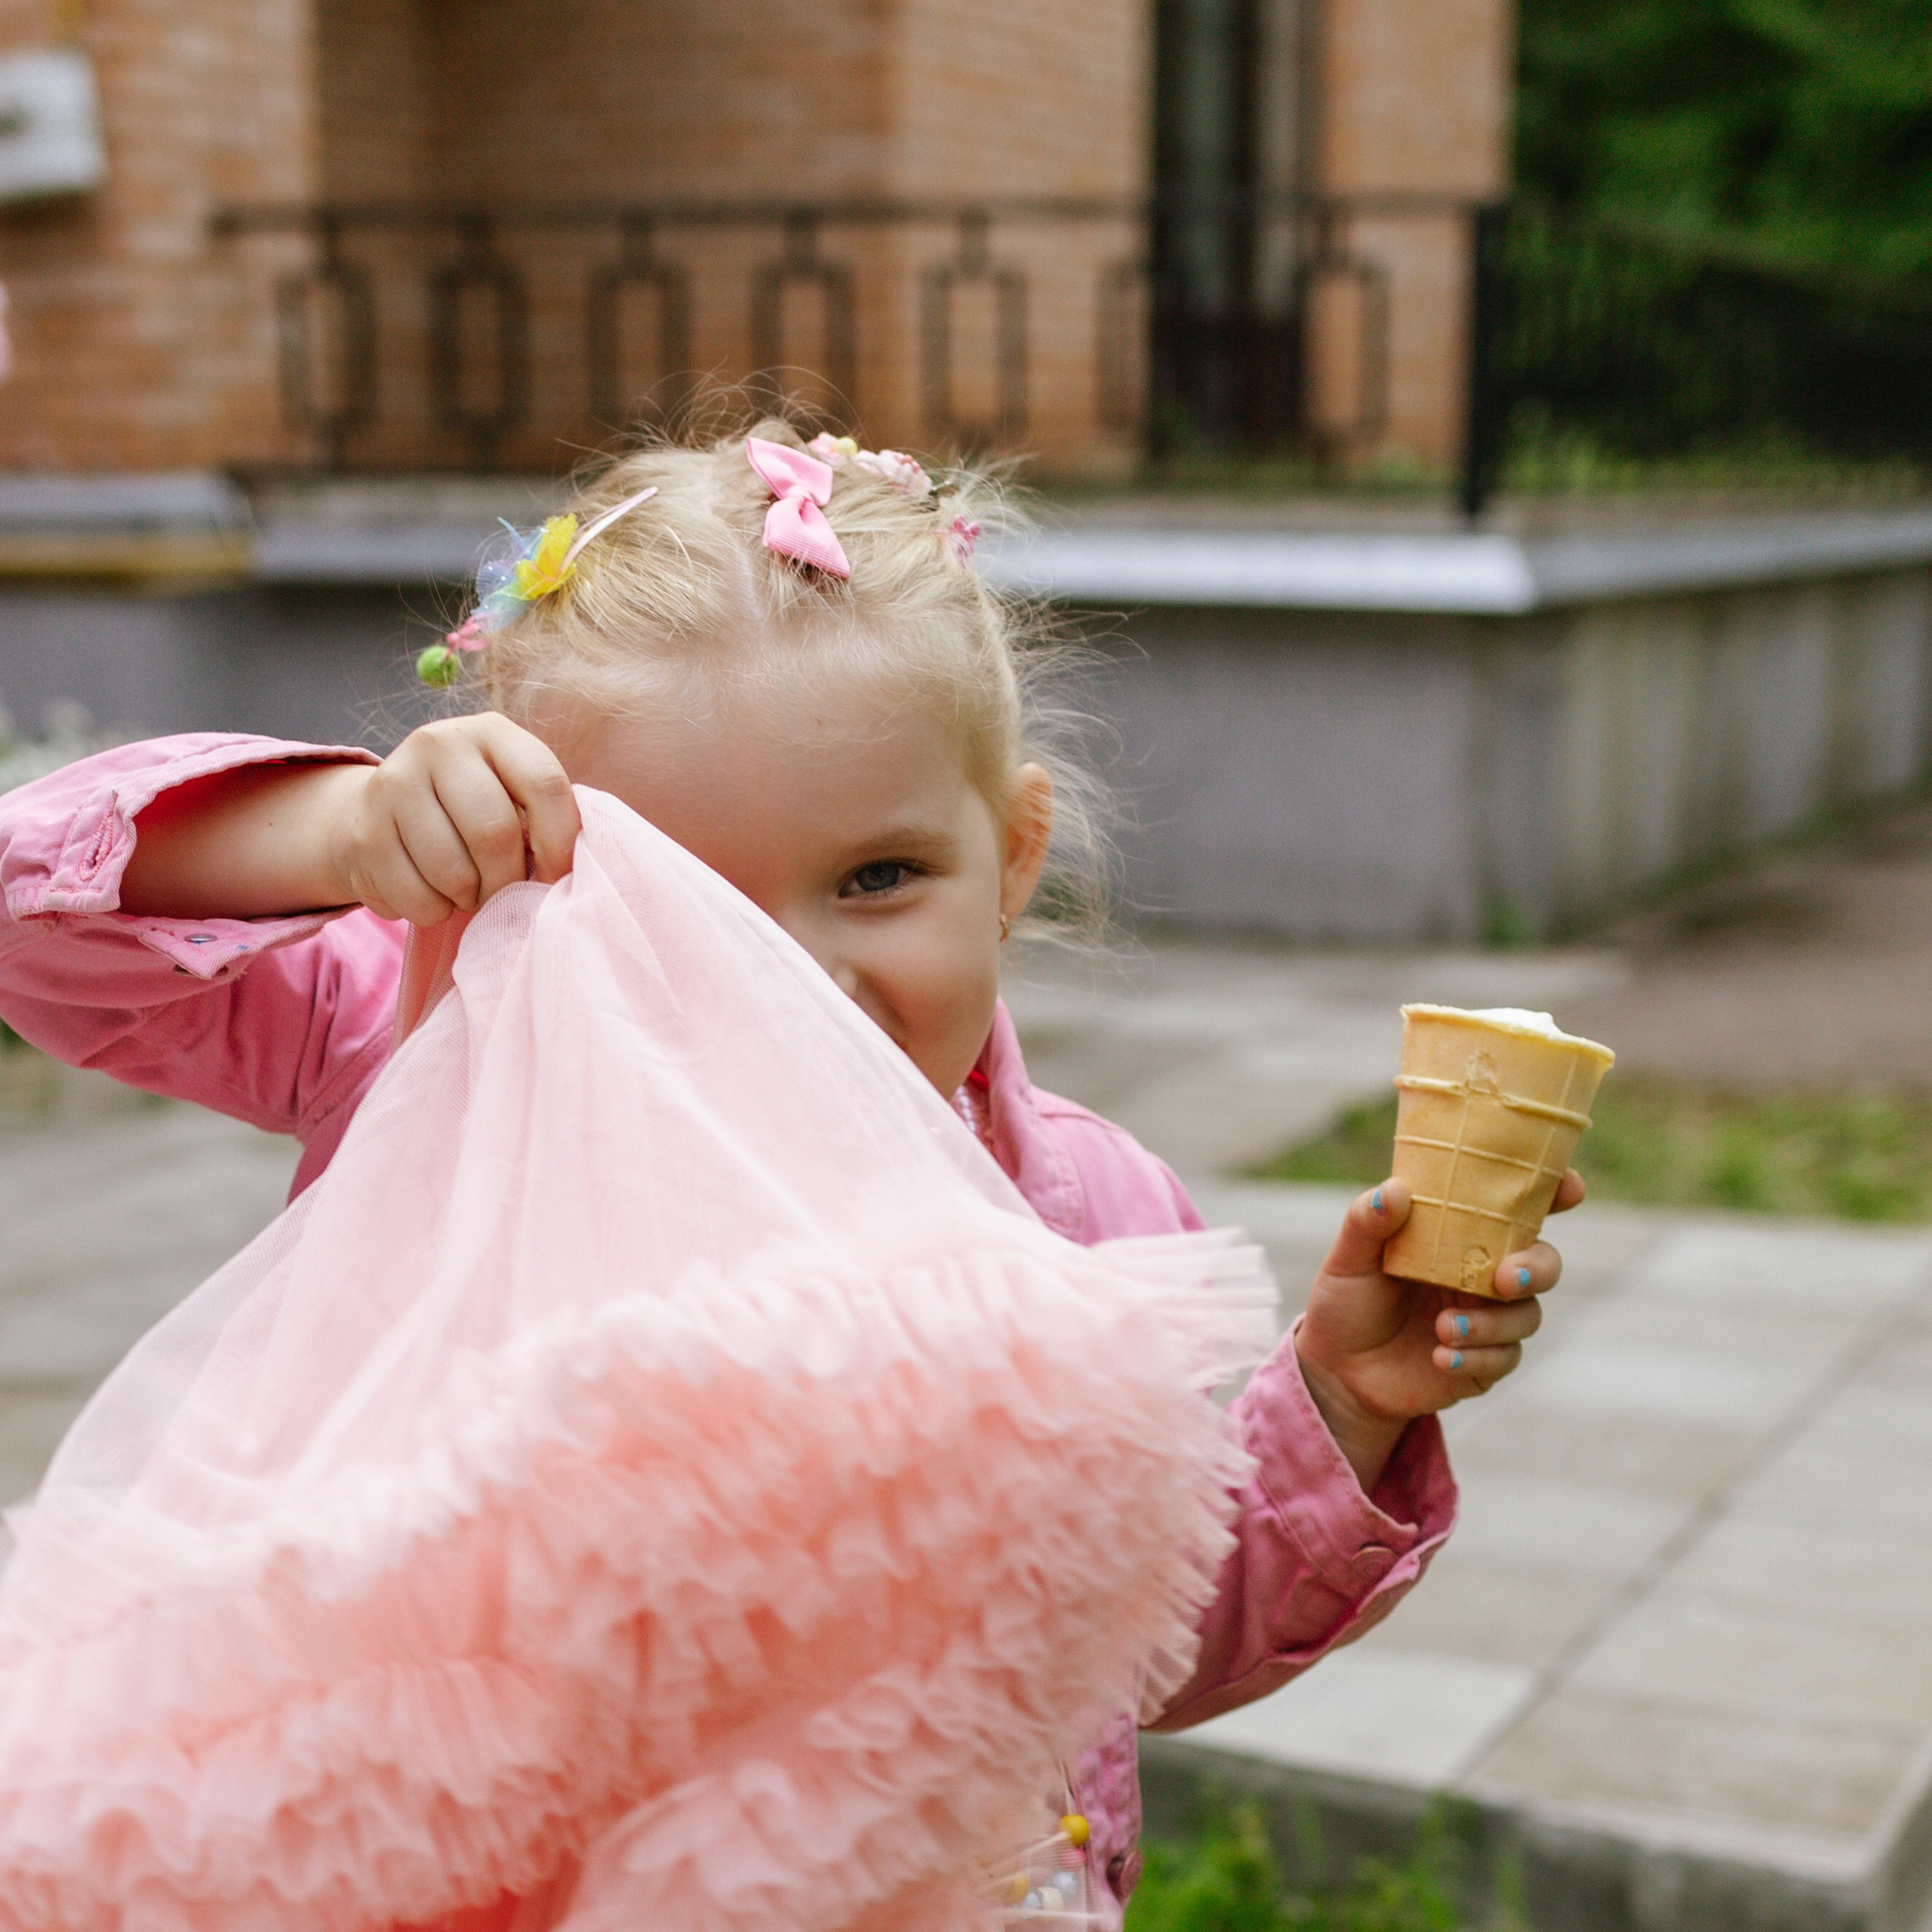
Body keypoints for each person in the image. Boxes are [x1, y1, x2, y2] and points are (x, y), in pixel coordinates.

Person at [0, 421, 1579, 1923]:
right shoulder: (428, 1047)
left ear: (1011, 860)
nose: (798, 977)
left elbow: (1129, 1631)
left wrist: (1345, 1402)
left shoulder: (1079, 1218)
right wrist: (340, 832)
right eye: (686, 902)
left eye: (878, 878)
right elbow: (37, 923)